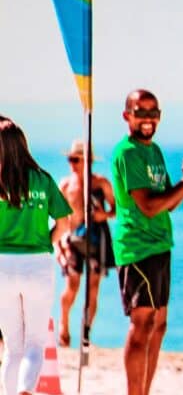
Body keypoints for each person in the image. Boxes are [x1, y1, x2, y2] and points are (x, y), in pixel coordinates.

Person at [111, 89, 183, 395]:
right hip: (137, 249)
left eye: (153, 113)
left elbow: (168, 203)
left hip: (159, 245)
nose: (148, 119)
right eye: (141, 112)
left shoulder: (153, 151)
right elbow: (149, 206)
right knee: (141, 326)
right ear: (126, 115)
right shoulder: (127, 154)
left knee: (158, 326)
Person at [0, 116, 72, 395]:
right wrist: (46, 241)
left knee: (12, 345)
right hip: (37, 264)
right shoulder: (42, 179)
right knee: (34, 341)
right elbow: (65, 223)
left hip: (2, 264)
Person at [57, 139, 116, 347]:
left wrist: (104, 215)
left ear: (87, 161)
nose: (71, 164)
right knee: (72, 285)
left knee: (93, 287)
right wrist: (58, 246)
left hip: (96, 238)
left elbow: (116, 209)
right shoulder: (65, 185)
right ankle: (64, 325)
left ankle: (86, 331)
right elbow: (57, 217)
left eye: (76, 160)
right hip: (72, 240)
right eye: (69, 159)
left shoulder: (101, 183)